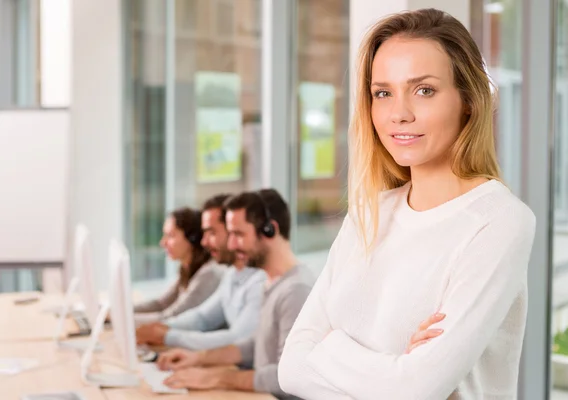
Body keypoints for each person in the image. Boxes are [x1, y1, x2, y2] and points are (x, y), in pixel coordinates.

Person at [278, 8, 536, 400]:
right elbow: (291, 370)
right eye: (383, 93)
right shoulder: (370, 213)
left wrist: (328, 349)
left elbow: (418, 388)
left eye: (424, 90)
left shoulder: (498, 221)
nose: (399, 114)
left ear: (467, 99)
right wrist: (397, 366)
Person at [156, 189, 312, 400]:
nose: (230, 245)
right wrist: (199, 358)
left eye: (238, 235)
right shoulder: (272, 281)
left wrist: (217, 378)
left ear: (269, 230)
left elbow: (287, 375)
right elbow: (255, 344)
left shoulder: (295, 290)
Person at [136, 194, 266, 351]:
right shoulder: (232, 274)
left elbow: (237, 339)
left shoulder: (258, 281)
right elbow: (202, 317)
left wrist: (166, 335)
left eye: (211, 233)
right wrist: (160, 328)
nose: (203, 242)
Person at [133, 208, 225, 325]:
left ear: (192, 238)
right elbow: (161, 304)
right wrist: (116, 312)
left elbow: (172, 317)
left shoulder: (208, 274)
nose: (163, 243)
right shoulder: (187, 269)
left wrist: (120, 319)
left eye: (170, 236)